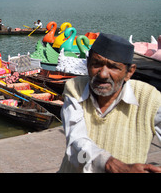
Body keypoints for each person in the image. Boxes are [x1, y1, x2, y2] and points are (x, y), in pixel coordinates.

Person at [59, 33, 161, 173]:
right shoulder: (74, 88)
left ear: (129, 72)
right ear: (87, 64)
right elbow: (76, 141)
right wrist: (110, 165)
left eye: (113, 67)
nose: (103, 74)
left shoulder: (150, 98)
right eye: (97, 64)